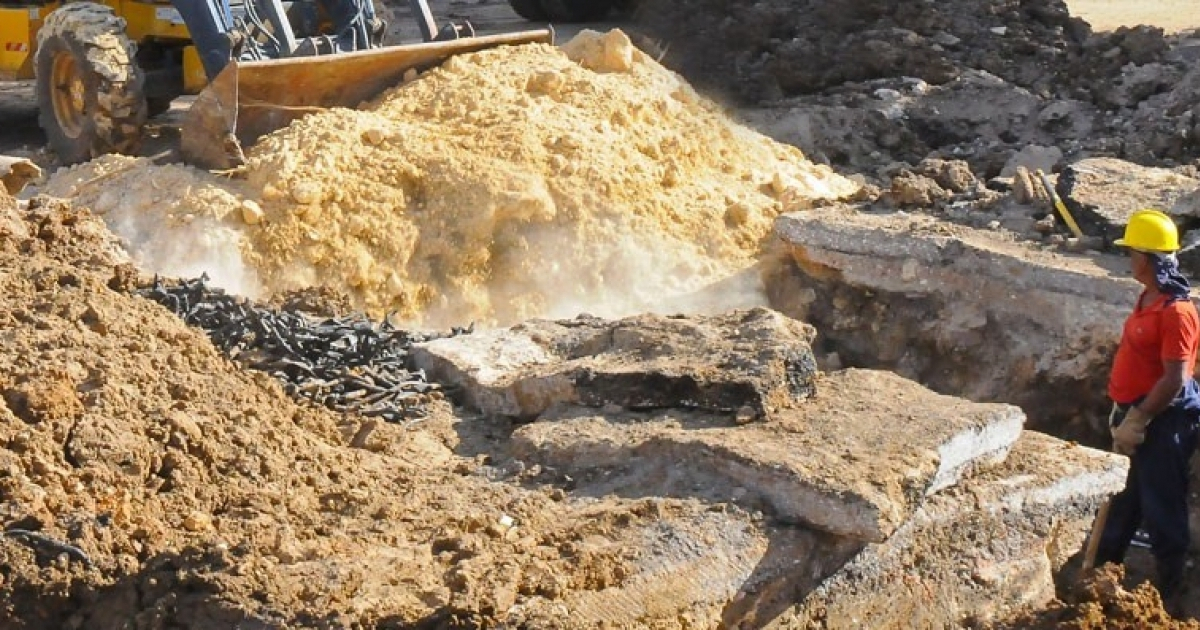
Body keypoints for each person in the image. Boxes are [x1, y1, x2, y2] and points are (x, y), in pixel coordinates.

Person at [1097, 208, 1200, 611]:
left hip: (1164, 420)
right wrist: (1123, 413)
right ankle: (1103, 573)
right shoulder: (1148, 297)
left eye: (1132, 253)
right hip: (1134, 416)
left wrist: (1139, 419)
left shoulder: (1176, 313)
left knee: (1162, 505)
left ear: (1148, 258)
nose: (1128, 260)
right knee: (1124, 500)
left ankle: (1171, 592)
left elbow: (1174, 379)